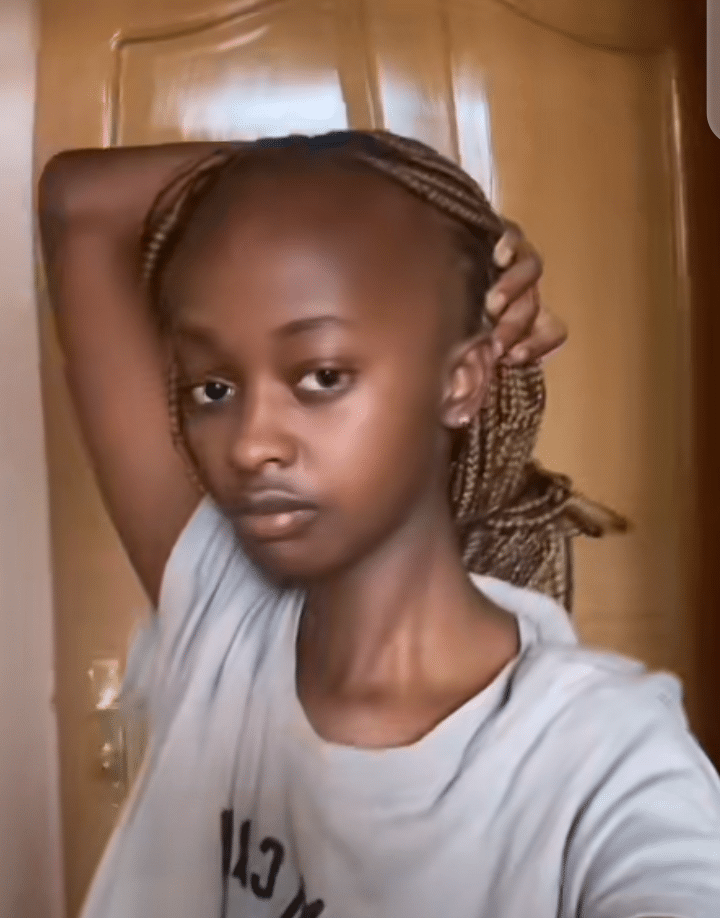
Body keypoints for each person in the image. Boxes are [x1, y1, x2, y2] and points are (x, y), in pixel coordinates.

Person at [38, 131, 720, 918]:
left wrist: (419, 218)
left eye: (322, 376)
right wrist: (382, 188)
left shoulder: (606, 761)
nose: (251, 445)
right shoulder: (226, 614)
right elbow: (78, 204)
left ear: (460, 381)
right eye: (214, 389)